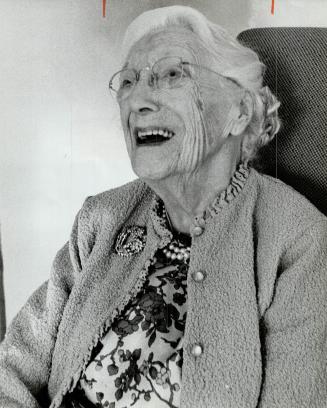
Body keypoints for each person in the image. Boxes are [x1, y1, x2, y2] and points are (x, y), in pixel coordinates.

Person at [1, 5, 327, 408]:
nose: (137, 100)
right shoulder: (101, 218)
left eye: (173, 74)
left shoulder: (297, 240)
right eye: (128, 82)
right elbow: (13, 370)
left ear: (239, 111)